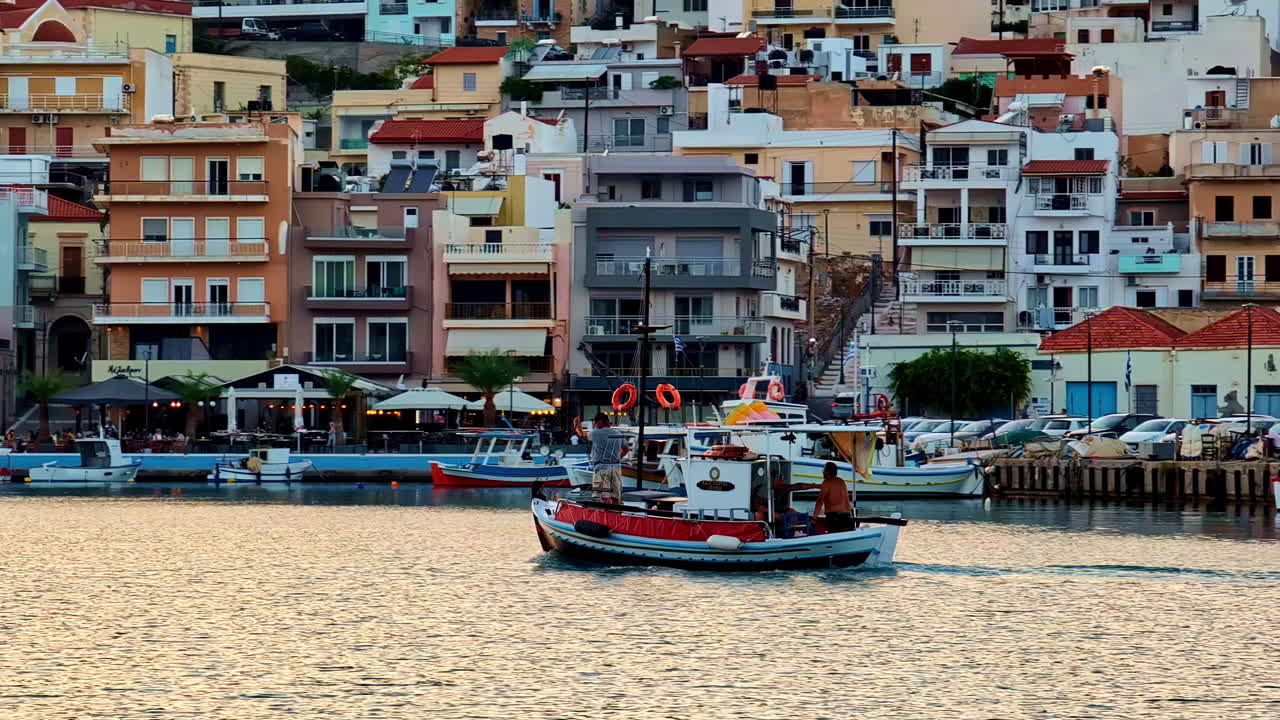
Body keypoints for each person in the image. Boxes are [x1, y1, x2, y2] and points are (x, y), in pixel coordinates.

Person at [587, 412, 624, 503]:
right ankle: (617, 514)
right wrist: (617, 458)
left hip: (602, 468)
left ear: (599, 422)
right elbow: (626, 449)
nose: (594, 425)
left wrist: (576, 426)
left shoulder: (596, 433)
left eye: (595, 423)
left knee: (603, 496)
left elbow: (583, 435)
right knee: (616, 496)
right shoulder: (618, 433)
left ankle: (606, 514)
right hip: (616, 467)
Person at [812, 461, 854, 533]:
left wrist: (814, 518)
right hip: (847, 516)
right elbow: (833, 489)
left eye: (824, 469)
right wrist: (817, 486)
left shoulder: (826, 482)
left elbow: (819, 502)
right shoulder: (841, 481)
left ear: (827, 471)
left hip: (834, 518)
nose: (822, 471)